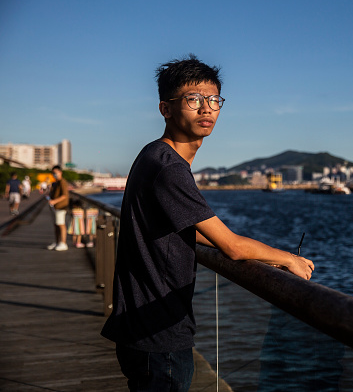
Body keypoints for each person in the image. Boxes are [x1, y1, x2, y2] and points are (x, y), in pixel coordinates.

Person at [101, 55, 315, 391]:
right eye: (193, 99)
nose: (207, 109)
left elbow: (191, 231)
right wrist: (288, 258)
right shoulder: (168, 168)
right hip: (157, 333)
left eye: (214, 100)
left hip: (142, 326)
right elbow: (231, 246)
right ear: (166, 109)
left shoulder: (154, 155)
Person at [47, 165, 69, 251]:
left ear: (60, 172)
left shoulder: (62, 182)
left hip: (61, 207)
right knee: (56, 225)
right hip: (55, 207)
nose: (54, 174)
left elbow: (64, 195)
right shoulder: (56, 182)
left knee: (61, 224)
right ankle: (57, 242)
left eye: (55, 173)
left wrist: (54, 201)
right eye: (53, 173)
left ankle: (63, 243)